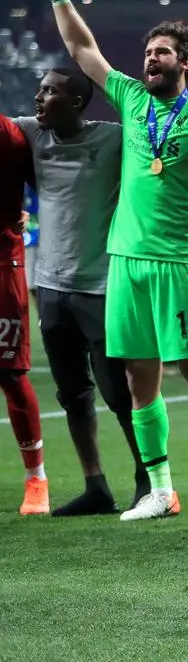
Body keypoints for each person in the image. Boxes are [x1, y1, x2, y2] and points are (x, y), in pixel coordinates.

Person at [26, 0, 188, 524]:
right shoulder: (126, 97)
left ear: (187, 62)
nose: (151, 59)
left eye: (164, 53)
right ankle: (160, 490)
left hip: (178, 260)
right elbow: (82, 49)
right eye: (149, 52)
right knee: (136, 380)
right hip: (124, 261)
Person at [17, 68, 148, 515]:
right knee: (72, 393)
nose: (38, 98)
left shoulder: (112, 138)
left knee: (117, 391)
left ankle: (149, 479)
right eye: (39, 89)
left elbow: (161, 125)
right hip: (51, 287)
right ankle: (96, 486)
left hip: (101, 286)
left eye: (50, 91)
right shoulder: (31, 133)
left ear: (75, 102)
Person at [0, 113, 47, 515]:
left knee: (10, 373)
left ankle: (36, 477)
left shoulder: (11, 138)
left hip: (1, 262)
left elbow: (51, 185)